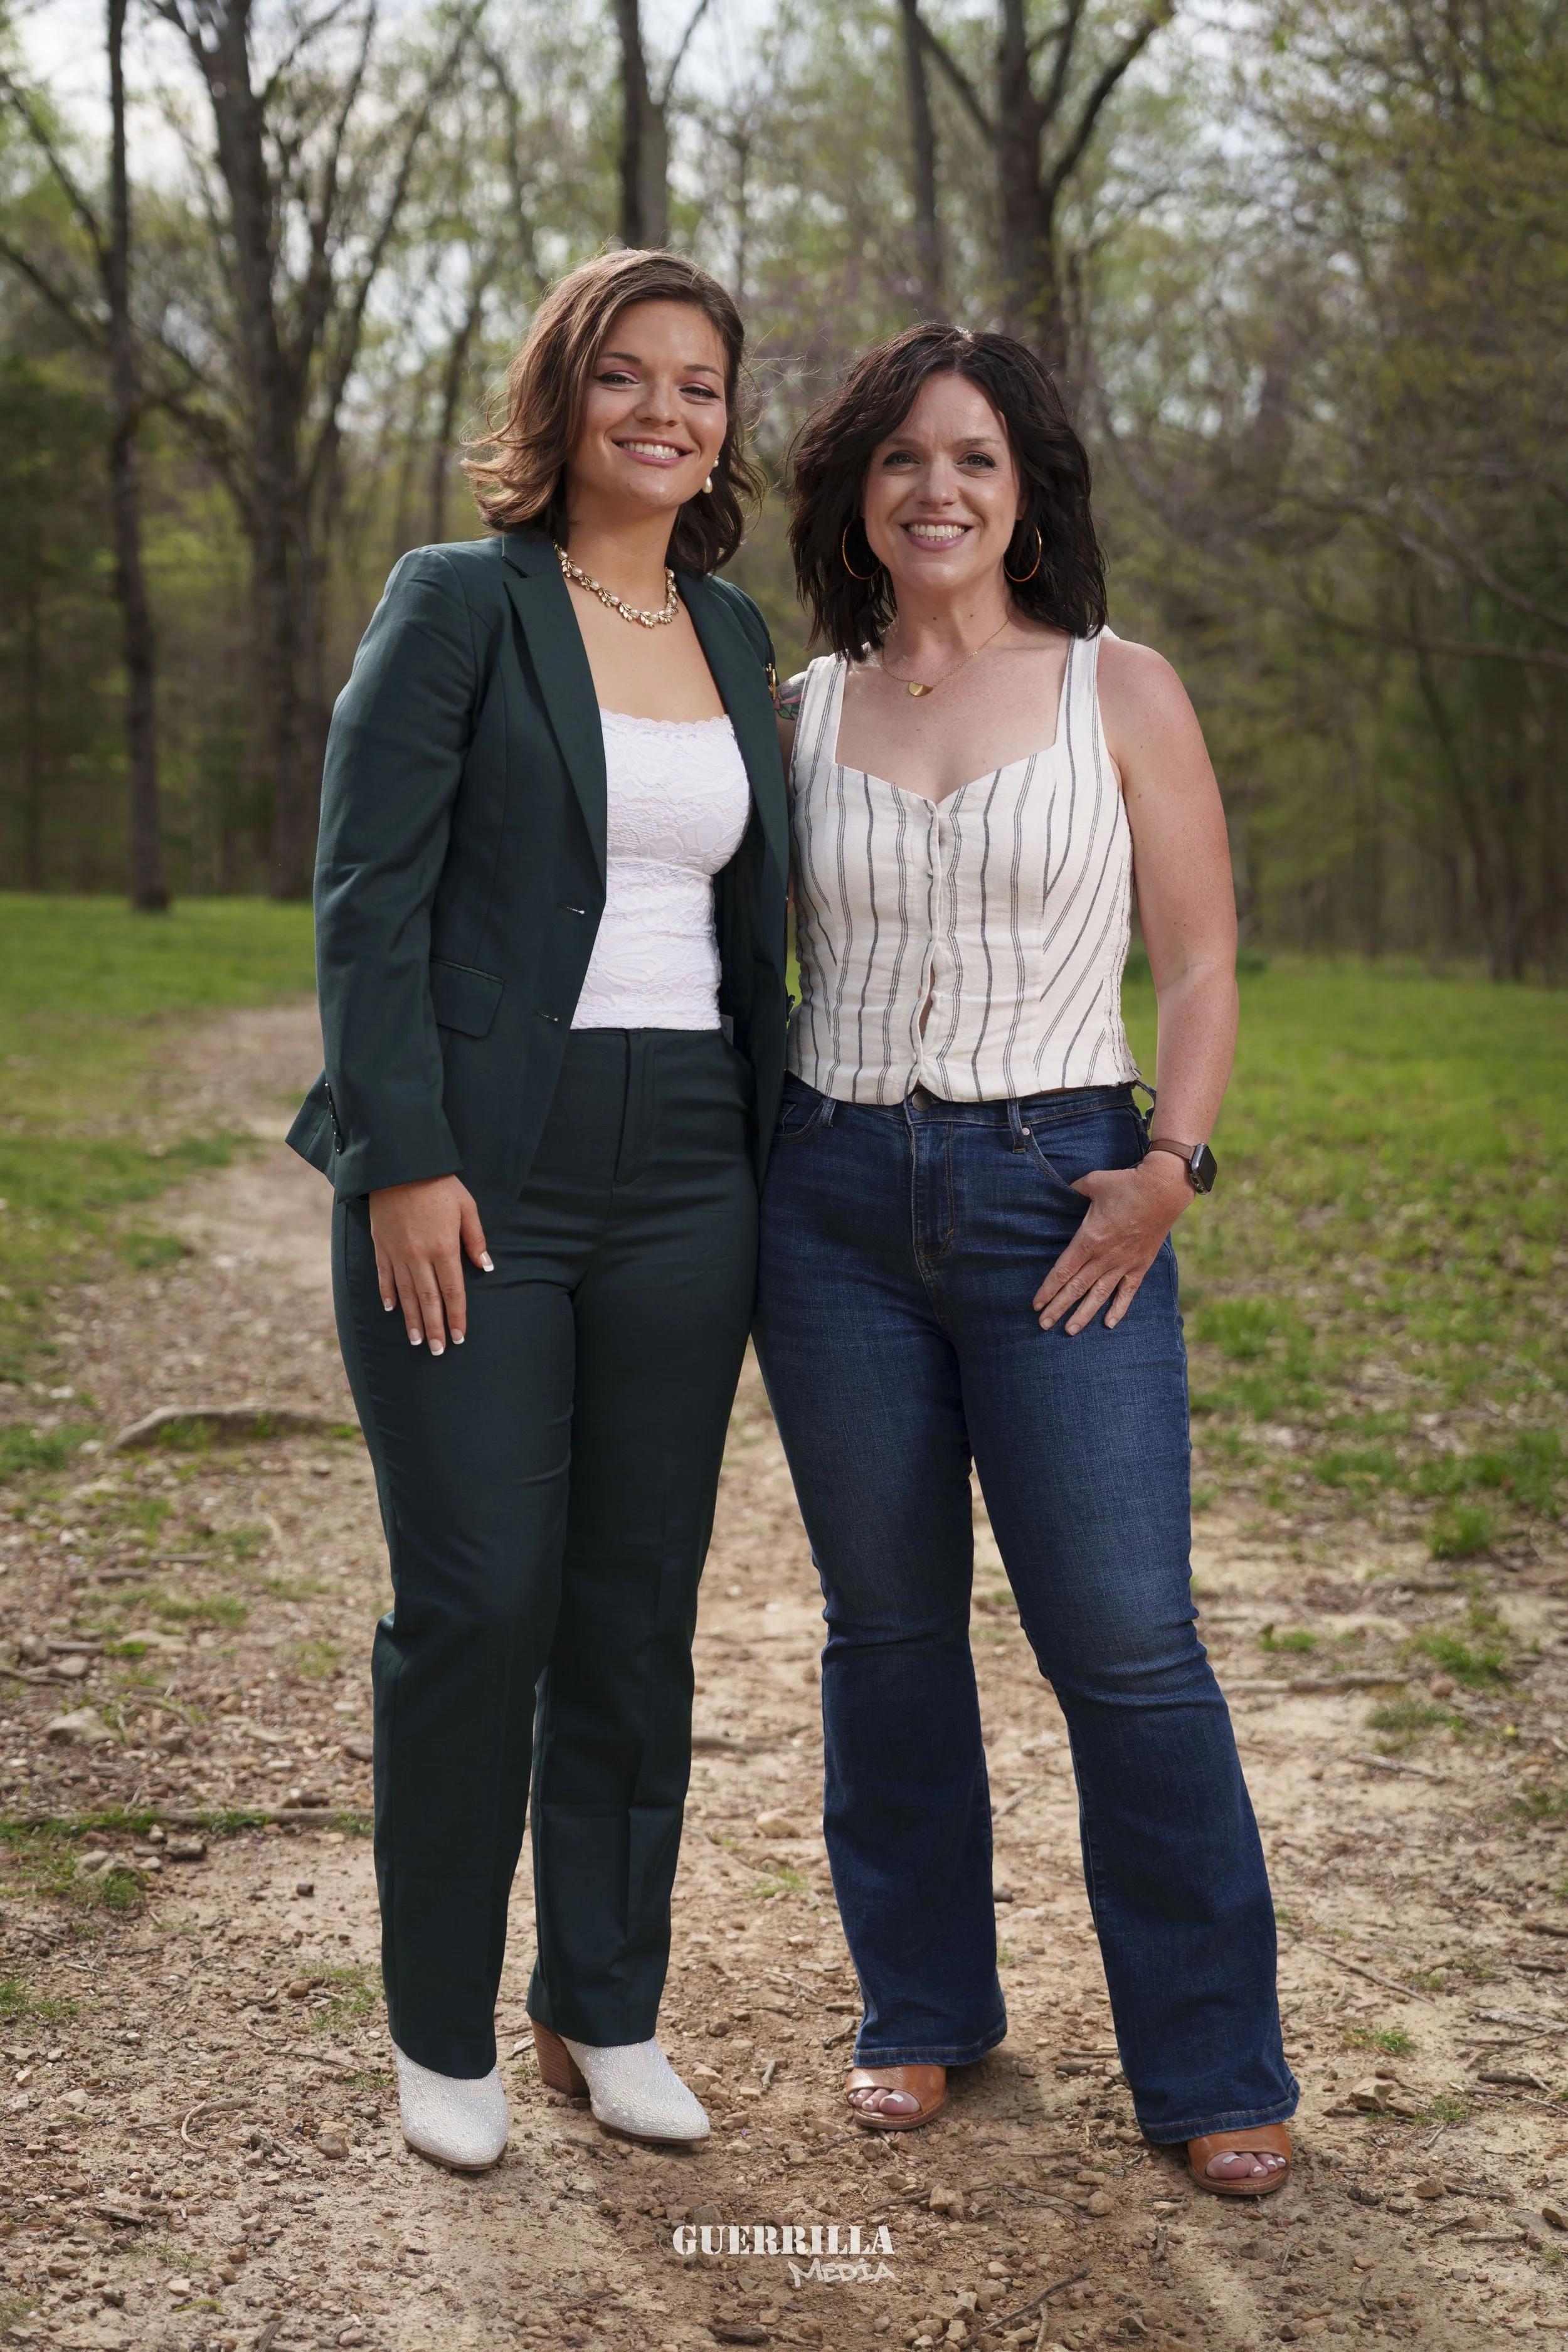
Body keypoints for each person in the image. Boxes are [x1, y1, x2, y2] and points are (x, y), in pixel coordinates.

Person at [755, 324, 1296, 2196]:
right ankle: (919, 2007)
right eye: (902, 459)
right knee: (884, 1632)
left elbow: (1204, 958)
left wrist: (1169, 1164)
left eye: (974, 458)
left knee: (1127, 1641)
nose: (937, 489)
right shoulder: (797, 708)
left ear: (1024, 489)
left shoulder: (1116, 690)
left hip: (1062, 1188)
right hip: (824, 1208)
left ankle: (1213, 2061)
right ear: (855, 493)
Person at [287, 250, 788, 2169]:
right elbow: (363, 894)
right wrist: (399, 1155)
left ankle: (604, 2003)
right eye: (626, 379)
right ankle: (440, 2031)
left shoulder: (738, 636)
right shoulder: (458, 605)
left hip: (691, 1174)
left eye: (701, 384)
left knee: (633, 1608)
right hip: (475, 1168)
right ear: (560, 398)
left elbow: (752, 933)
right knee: (481, 1596)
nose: (666, 412)